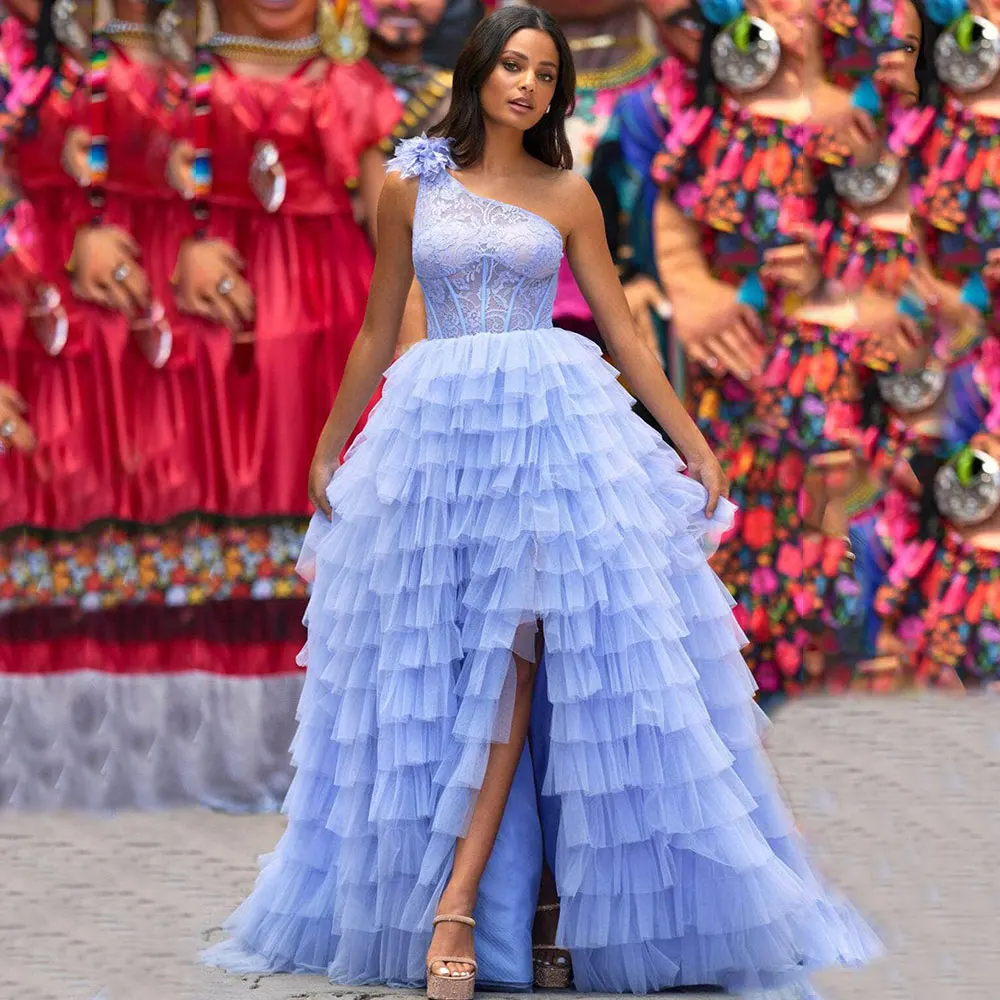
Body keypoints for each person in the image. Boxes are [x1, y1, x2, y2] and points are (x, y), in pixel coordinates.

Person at [202, 6, 880, 998]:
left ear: (558, 95)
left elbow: (621, 330)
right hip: (437, 435)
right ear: (478, 69)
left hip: (552, 430)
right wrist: (329, 445)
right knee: (451, 656)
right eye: (511, 64)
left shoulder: (567, 192)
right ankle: (522, 908)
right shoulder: (411, 181)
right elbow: (376, 326)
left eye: (544, 74)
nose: (525, 84)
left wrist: (691, 442)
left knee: (523, 648)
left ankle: (460, 908)